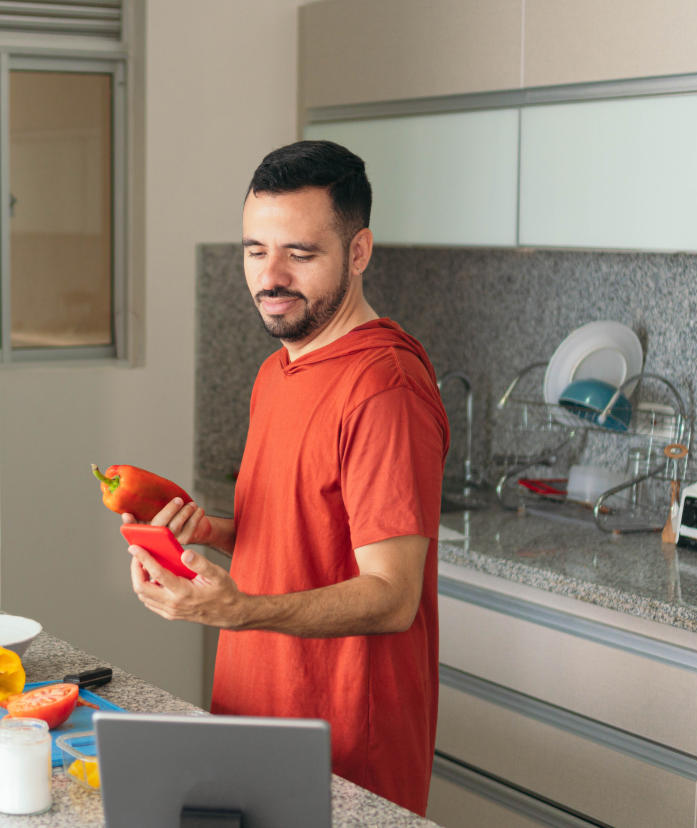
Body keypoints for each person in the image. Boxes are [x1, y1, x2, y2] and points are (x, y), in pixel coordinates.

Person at [122, 140, 449, 816]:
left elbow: (393, 596)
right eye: (254, 250)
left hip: (346, 753)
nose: (270, 276)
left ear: (358, 252)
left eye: (300, 255)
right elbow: (308, 535)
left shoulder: (383, 388)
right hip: (254, 722)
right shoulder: (278, 371)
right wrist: (207, 533)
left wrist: (238, 611)